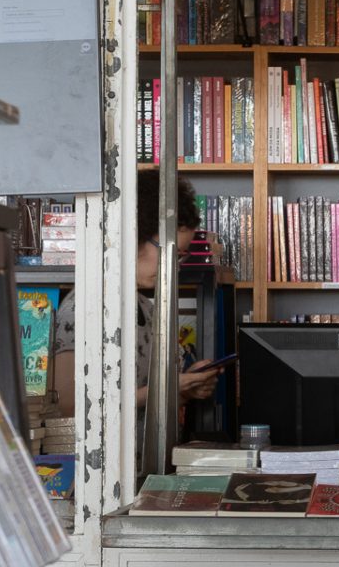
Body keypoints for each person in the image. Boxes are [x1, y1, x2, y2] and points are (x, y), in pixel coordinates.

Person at [49, 169, 220, 436]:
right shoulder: (85, 309)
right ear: (135, 234)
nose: (175, 266)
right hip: (105, 474)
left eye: (181, 256)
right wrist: (169, 389)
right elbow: (70, 407)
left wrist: (186, 389)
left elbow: (144, 401)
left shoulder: (148, 309)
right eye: (169, 251)